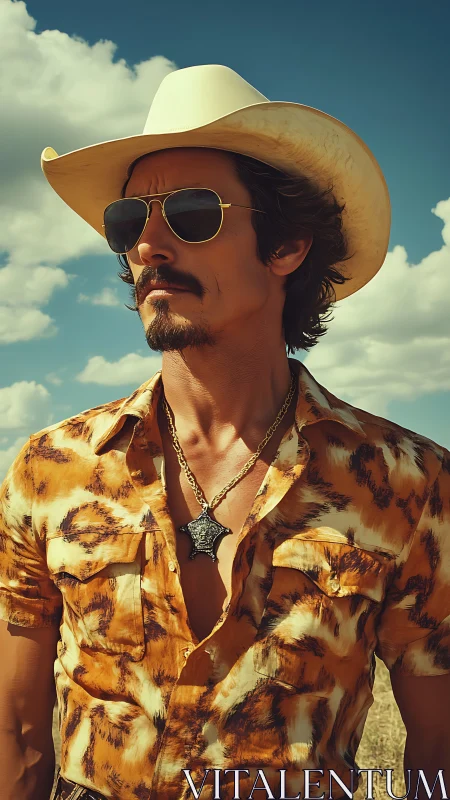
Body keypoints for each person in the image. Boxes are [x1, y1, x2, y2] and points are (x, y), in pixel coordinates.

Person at [0, 64, 448, 800]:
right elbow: (18, 738)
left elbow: (438, 749)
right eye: (127, 223)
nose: (146, 246)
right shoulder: (51, 472)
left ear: (286, 245)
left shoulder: (411, 486)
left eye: (191, 213)